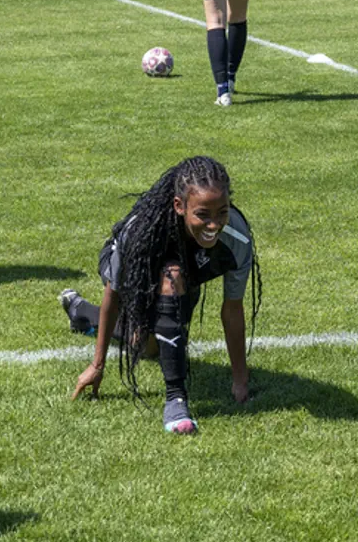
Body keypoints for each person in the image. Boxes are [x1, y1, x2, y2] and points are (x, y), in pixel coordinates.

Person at [61, 156, 259, 434]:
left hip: (184, 279)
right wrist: (97, 365)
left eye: (222, 212)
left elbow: (232, 308)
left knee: (149, 347)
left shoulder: (237, 237)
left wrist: (240, 379)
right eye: (203, 214)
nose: (214, 224)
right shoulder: (141, 232)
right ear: (180, 206)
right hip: (136, 271)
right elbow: (113, 297)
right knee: (171, 276)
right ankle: (176, 400)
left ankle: (80, 311)